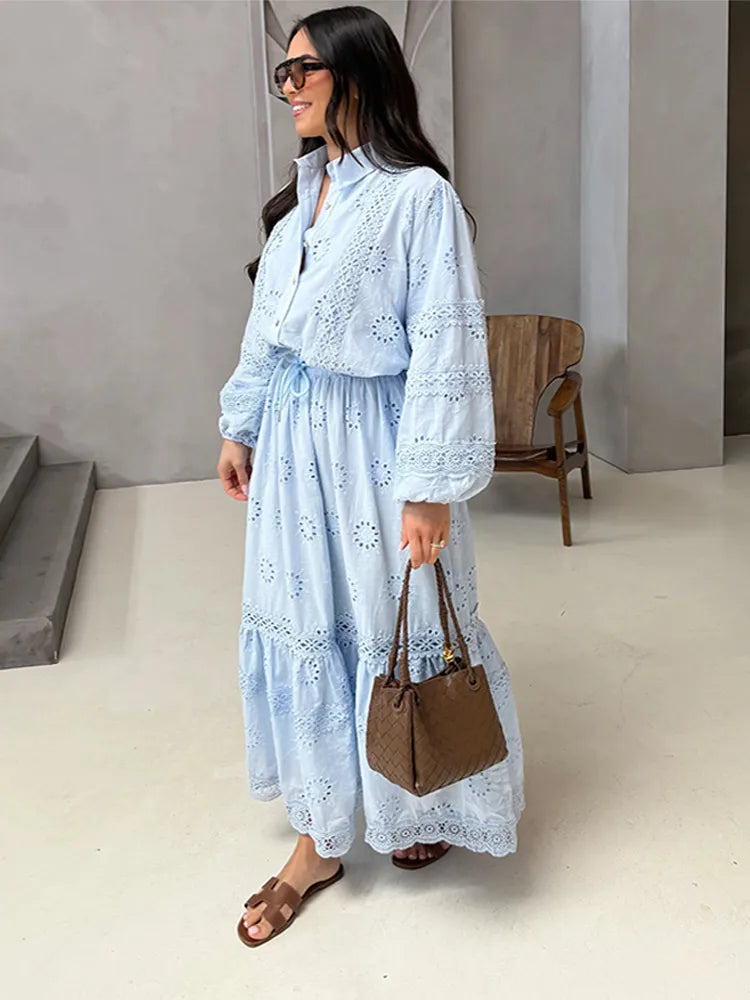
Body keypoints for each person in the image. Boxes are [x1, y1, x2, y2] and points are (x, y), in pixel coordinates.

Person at [218, 5, 524, 948]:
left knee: (397, 621)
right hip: (293, 451)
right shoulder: (302, 198)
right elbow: (268, 329)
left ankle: (413, 794)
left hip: (377, 453)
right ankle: (316, 842)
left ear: (358, 74)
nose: (289, 89)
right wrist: (239, 422)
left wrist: (427, 486)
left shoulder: (418, 199)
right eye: (283, 73)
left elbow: (445, 342)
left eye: (302, 70)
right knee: (310, 617)